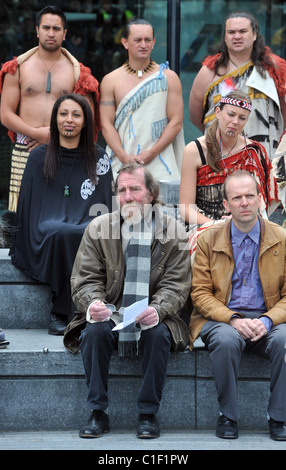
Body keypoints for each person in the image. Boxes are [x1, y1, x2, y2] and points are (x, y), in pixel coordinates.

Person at [64, 163, 191, 439]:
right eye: (122, 190)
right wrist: (94, 304)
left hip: (157, 312)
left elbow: (177, 285)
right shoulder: (99, 228)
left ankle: (148, 414)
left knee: (157, 333)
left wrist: (157, 310)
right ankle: (98, 412)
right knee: (95, 331)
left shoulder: (175, 231)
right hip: (111, 312)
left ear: (151, 193)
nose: (128, 196)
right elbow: (85, 278)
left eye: (135, 188)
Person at [190, 170, 286, 441]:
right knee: (226, 340)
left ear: (260, 200)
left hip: (269, 318)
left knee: (285, 340)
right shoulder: (208, 238)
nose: (244, 202)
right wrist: (232, 318)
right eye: (237, 197)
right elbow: (200, 292)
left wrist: (267, 321)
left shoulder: (282, 238)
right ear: (226, 205)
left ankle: (279, 418)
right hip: (222, 318)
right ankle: (228, 416)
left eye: (250, 196)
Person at [9, 93, 113, 335]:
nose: (69, 120)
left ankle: (82, 307)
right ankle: (61, 310)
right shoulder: (38, 157)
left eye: (76, 115)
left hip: (88, 220)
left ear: (85, 122)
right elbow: (29, 207)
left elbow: (104, 206)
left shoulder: (98, 158)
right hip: (46, 224)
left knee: (84, 231)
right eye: (63, 114)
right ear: (55, 119)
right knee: (61, 231)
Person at [0, 5, 100, 213]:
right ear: (37, 30)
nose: (51, 33)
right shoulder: (16, 68)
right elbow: (6, 115)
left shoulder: (79, 73)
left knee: (61, 211)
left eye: (56, 29)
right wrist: (37, 133)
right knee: (23, 212)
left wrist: (54, 136)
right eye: (46, 28)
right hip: (25, 147)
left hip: (65, 149)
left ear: (65, 34)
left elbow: (87, 117)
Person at [189, 10, 286, 162]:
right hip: (219, 159)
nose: (237, 36)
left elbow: (283, 113)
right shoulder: (210, 70)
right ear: (225, 37)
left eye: (243, 31)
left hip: (264, 158)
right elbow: (196, 116)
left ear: (254, 35)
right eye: (231, 32)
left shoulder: (274, 67)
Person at [99, 18, 185, 183]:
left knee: (161, 208)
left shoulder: (169, 77)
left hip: (160, 162)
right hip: (121, 162)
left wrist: (152, 153)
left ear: (153, 43)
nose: (143, 44)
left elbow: (176, 122)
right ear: (125, 43)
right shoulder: (111, 80)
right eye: (137, 40)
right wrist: (124, 157)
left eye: (147, 40)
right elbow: (106, 124)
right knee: (123, 207)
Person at [180, 88, 279, 228]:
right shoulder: (194, 150)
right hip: (206, 227)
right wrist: (220, 224)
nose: (235, 121)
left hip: (247, 225)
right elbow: (186, 210)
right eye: (231, 114)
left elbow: (264, 203)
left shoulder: (254, 151)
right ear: (218, 113)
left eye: (242, 118)